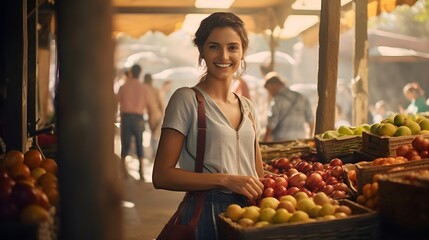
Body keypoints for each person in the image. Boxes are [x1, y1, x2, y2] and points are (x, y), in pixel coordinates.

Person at [152, 12, 264, 240]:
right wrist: (225, 179)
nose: (224, 56)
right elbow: (161, 176)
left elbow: (257, 174)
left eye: (233, 47)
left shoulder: (248, 107)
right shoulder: (187, 99)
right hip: (206, 213)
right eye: (214, 47)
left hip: (250, 214)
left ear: (242, 52)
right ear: (201, 50)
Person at [117, 64, 151, 181]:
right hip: (139, 118)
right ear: (140, 73)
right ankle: (141, 172)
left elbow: (117, 102)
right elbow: (148, 105)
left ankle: (123, 171)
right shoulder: (144, 88)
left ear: (131, 72)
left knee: (125, 145)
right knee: (139, 144)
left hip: (126, 118)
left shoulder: (123, 87)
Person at [263, 72, 314, 142]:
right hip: (300, 140)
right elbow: (311, 120)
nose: (269, 93)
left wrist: (265, 140)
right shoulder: (301, 97)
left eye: (269, 90)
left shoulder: (277, 100)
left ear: (273, 86)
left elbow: (271, 123)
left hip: (282, 141)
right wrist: (310, 137)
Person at [143, 73, 164, 159]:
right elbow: (161, 105)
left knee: (155, 136)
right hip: (155, 115)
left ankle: (155, 155)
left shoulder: (147, 90)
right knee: (155, 136)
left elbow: (161, 105)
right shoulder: (155, 90)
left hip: (154, 115)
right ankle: (155, 155)